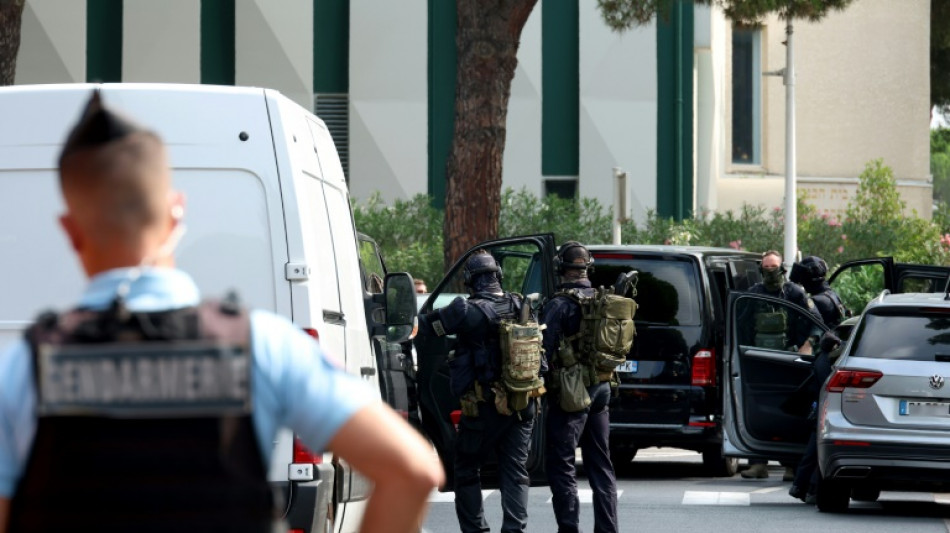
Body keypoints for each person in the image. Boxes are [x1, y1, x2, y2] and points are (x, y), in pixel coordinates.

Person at [0, 92, 443, 532]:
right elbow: (412, 469)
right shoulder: (263, 348)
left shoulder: (24, 369)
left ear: (69, 230)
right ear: (176, 212)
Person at [416, 250, 538, 533]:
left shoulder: (465, 310)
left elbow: (427, 327)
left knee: (467, 468)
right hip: (523, 403)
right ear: (498, 275)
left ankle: (476, 530)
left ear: (470, 280)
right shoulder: (520, 303)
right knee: (515, 472)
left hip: (485, 406)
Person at [541, 241, 618, 533]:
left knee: (562, 464)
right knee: (601, 464)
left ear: (560, 268)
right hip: (602, 387)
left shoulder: (558, 304)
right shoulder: (604, 300)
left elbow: (543, 351)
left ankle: (569, 529)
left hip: (571, 393)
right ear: (588, 267)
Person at [740, 250, 823, 481]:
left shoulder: (795, 293)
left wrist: (808, 344)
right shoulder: (753, 294)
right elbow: (740, 323)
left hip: (789, 363)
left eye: (773, 267)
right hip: (759, 362)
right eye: (766, 267)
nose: (769, 271)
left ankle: (791, 465)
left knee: (790, 413)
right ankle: (758, 463)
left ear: (782, 268)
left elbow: (817, 322)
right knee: (759, 412)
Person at [789, 255, 851, 328]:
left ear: (809, 279)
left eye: (803, 278)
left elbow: (800, 330)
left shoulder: (815, 301)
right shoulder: (833, 295)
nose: (802, 283)